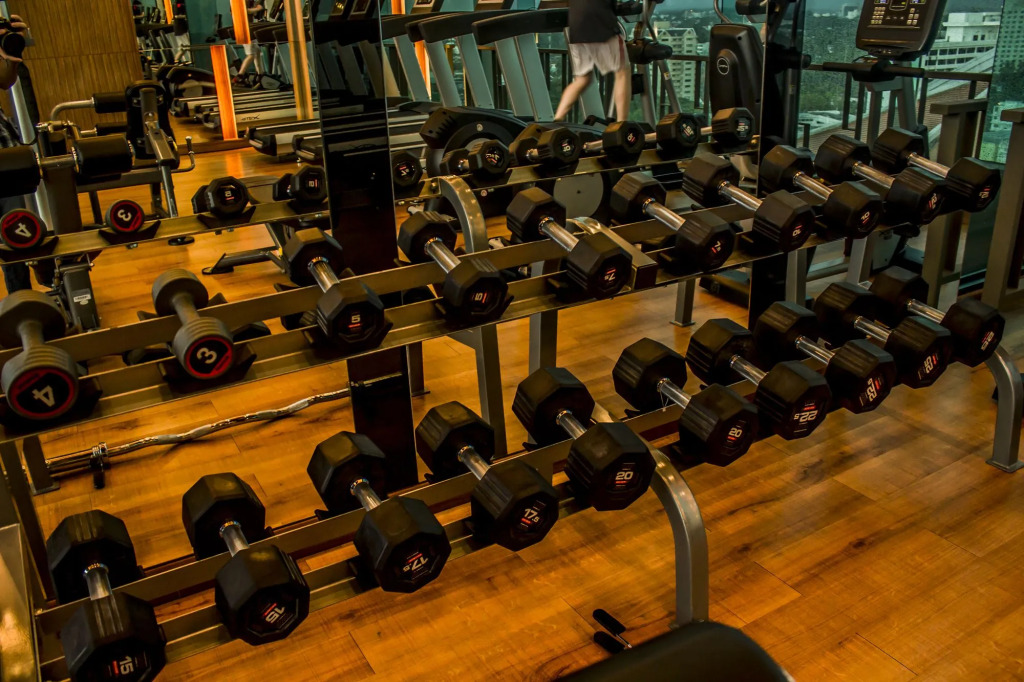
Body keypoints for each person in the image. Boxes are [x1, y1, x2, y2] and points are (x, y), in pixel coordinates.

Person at [554, 0, 632, 122]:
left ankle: (558, 118)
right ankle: (622, 123)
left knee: (582, 79)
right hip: (601, 23)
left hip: (577, 27)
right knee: (622, 73)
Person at [0, 14, 32, 294]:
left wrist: (12, 55)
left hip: (4, 151)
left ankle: (22, 300)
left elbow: (4, 81)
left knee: (16, 231)